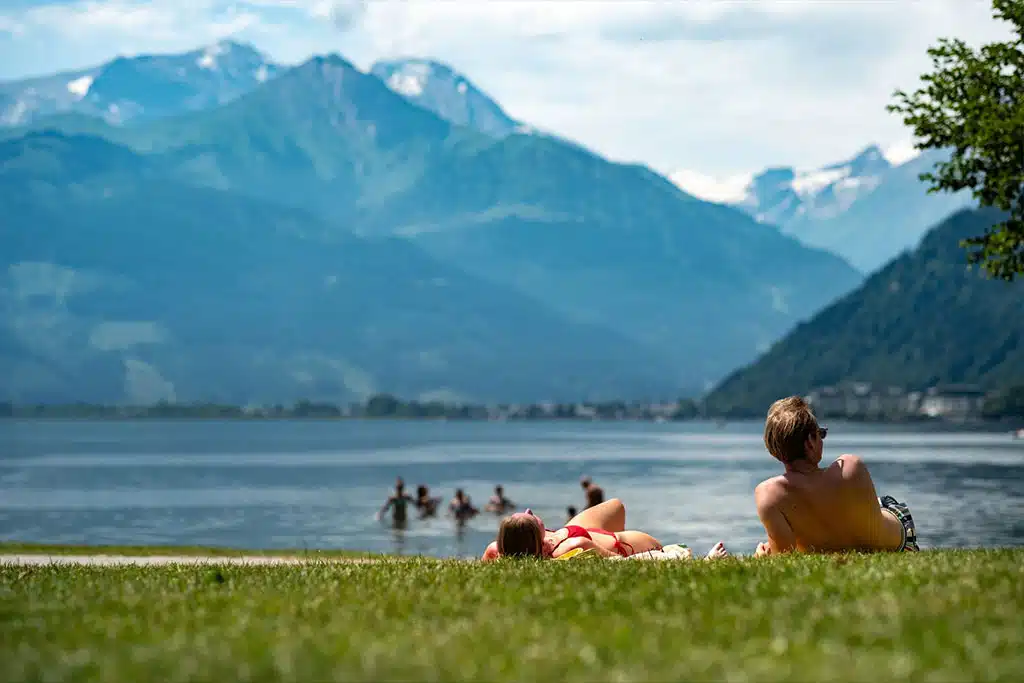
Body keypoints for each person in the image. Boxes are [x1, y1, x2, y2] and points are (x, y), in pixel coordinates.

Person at [752, 396, 919, 557]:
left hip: (863, 531)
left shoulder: (768, 495)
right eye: (820, 434)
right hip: (902, 542)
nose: (822, 439)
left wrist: (762, 555)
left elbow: (783, 555)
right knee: (876, 503)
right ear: (810, 442)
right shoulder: (849, 466)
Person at [481, 498, 728, 561]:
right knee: (618, 511)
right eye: (532, 519)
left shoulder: (496, 548)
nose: (529, 512)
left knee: (616, 506)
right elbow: (622, 562)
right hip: (620, 543)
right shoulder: (573, 548)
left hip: (573, 530)